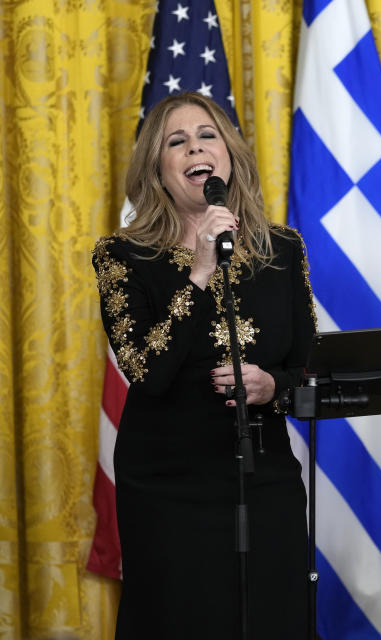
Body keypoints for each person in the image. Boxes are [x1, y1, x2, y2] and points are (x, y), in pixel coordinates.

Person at [92, 92, 315, 638]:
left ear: (229, 154)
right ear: (158, 171)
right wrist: (198, 270)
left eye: (207, 135)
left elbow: (308, 372)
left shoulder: (282, 249)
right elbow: (145, 369)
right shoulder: (122, 256)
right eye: (177, 141)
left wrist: (270, 386)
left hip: (265, 480)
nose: (196, 146)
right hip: (169, 490)